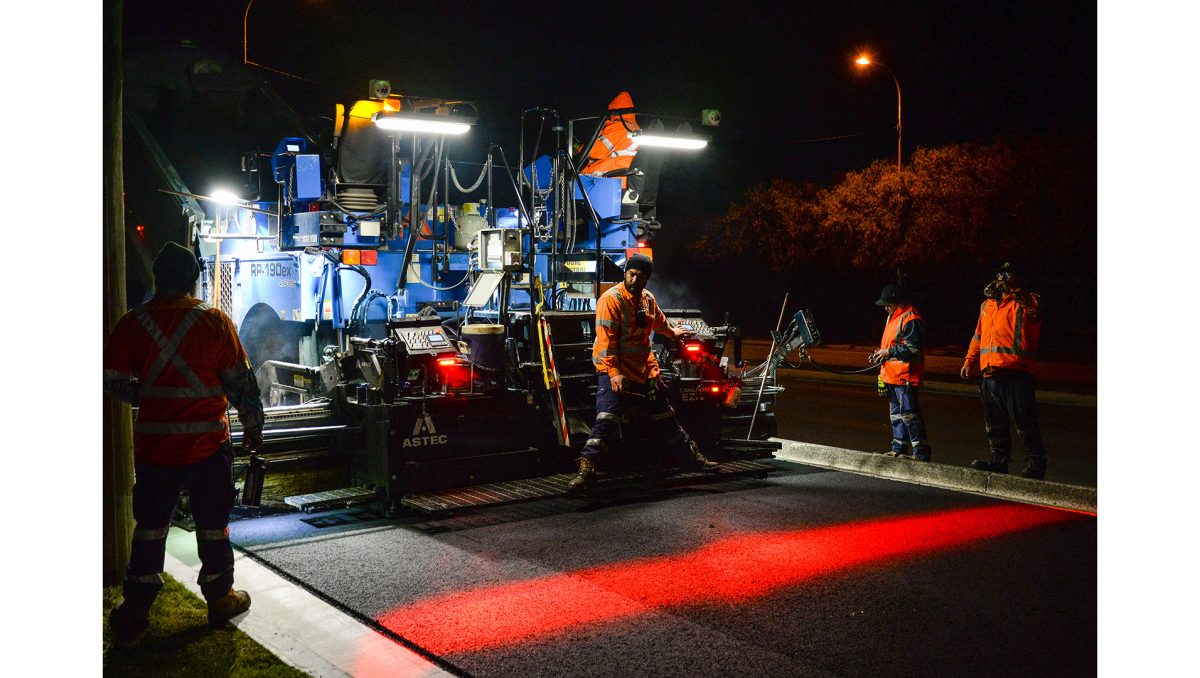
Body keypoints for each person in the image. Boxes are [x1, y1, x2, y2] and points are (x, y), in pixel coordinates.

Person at [104, 242, 265, 641]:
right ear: (194, 280)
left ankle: (137, 607)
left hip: (156, 450)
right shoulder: (214, 321)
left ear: (157, 279)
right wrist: (253, 426)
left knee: (150, 526)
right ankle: (220, 597)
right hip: (208, 447)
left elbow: (112, 382)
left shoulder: (132, 322)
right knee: (212, 525)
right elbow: (241, 384)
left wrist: (150, 395)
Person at [569, 254, 718, 492]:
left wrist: (672, 332)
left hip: (644, 371)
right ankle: (587, 470)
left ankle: (694, 460)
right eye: (631, 274)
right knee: (607, 420)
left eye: (640, 276)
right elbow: (607, 342)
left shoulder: (647, 299)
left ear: (647, 279)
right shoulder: (611, 300)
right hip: (615, 372)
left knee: (666, 418)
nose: (635, 279)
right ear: (625, 273)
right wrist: (615, 373)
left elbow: (658, 321)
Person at [960, 262, 1047, 479]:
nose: (1001, 279)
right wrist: (969, 361)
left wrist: (1015, 289)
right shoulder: (987, 306)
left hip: (1016, 373)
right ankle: (999, 460)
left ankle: (1035, 464)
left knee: (1024, 422)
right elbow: (978, 336)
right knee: (994, 423)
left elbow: (1034, 308)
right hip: (989, 373)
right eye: (999, 274)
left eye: (1006, 275)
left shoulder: (1027, 301)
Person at [869, 284, 932, 461]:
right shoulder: (893, 317)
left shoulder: (911, 318)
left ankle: (921, 453)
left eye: (888, 304)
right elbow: (892, 345)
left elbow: (913, 349)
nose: (885, 308)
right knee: (896, 414)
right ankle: (899, 448)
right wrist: (880, 354)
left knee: (910, 415)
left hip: (905, 376)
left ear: (899, 302)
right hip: (892, 376)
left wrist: (888, 352)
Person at [579, 91, 640, 189]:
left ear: (614, 110)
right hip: (627, 177)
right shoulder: (634, 126)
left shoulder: (618, 126)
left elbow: (593, 152)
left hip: (615, 176)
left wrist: (580, 148)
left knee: (579, 179)